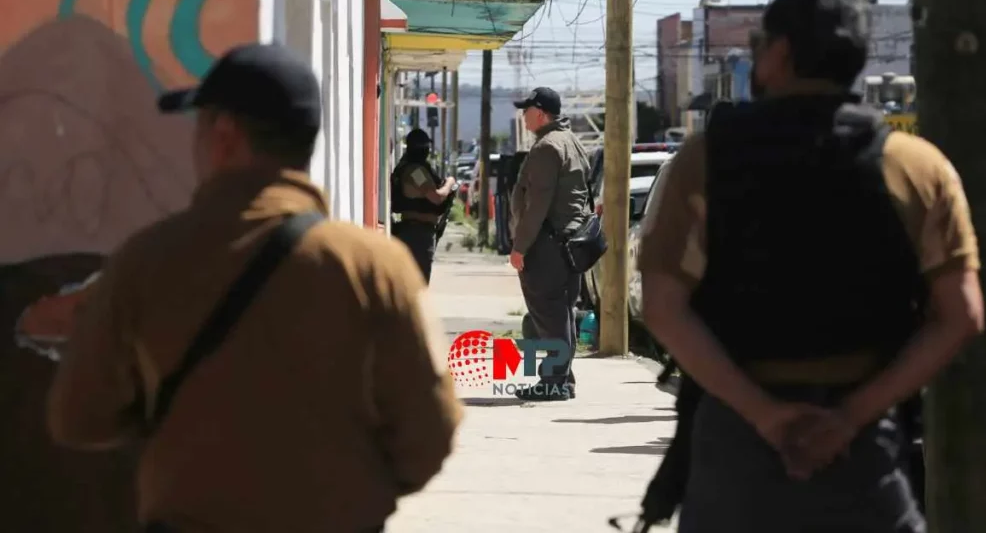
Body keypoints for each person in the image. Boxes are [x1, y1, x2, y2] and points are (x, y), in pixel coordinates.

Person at [46, 43, 462, 533]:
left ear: (224, 137)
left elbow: (78, 417)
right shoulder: (374, 266)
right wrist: (350, 494)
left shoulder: (146, 259)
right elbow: (431, 432)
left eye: (199, 126)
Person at [640, 0, 984, 533]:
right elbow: (962, 315)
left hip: (735, 449)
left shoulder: (704, 161)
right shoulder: (917, 168)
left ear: (778, 53)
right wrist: (848, 419)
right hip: (864, 449)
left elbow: (662, 307)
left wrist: (766, 417)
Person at [509, 87, 590, 401]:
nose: (523, 115)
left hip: (547, 245)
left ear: (540, 113)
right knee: (561, 312)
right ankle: (562, 380)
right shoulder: (572, 141)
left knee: (549, 313)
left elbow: (537, 205)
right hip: (569, 243)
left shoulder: (547, 147)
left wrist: (520, 247)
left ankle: (553, 382)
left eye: (527, 110)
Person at [391, 128, 457, 283]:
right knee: (418, 285)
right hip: (416, 233)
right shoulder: (415, 171)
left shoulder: (415, 168)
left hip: (419, 232)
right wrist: (450, 183)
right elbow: (436, 197)